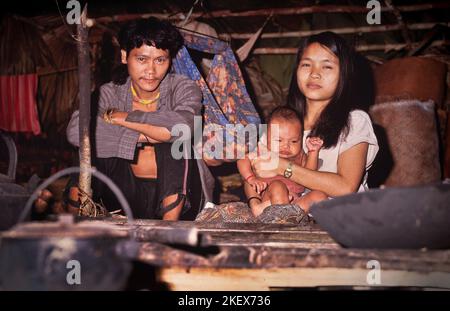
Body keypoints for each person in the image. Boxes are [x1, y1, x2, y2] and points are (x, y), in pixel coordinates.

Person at [66, 17, 211, 220]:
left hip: (182, 200)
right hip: (124, 198)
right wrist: (149, 133)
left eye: (160, 60)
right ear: (125, 56)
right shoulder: (109, 93)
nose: (151, 70)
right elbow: (76, 132)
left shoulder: (183, 88)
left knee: (175, 142)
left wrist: (122, 118)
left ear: (170, 60)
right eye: (142, 59)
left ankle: (169, 235)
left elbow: (182, 128)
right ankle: (75, 226)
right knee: (87, 146)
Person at [251, 32, 379, 213]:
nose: (314, 74)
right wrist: (254, 202)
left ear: (343, 74)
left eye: (326, 67)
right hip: (285, 216)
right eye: (306, 64)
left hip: (339, 217)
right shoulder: (283, 122)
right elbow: (256, 169)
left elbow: (346, 187)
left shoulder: (354, 121)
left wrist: (283, 167)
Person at [237, 106, 326, 216]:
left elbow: (310, 175)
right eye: (279, 140)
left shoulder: (300, 156)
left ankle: (289, 216)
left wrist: (313, 152)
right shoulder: (263, 151)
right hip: (270, 200)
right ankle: (281, 217)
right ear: (267, 138)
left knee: (319, 196)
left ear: (301, 138)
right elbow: (242, 160)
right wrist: (251, 178)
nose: (286, 146)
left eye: (294, 141)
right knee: (278, 186)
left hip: (295, 202)